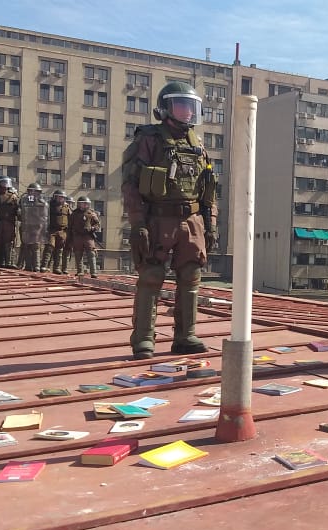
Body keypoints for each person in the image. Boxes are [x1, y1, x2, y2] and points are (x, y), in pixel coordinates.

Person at [121, 81, 219, 359]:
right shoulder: (149, 139)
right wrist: (138, 223)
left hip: (191, 220)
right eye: (182, 106)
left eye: (192, 107)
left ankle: (185, 336)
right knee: (151, 277)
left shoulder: (196, 144)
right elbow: (130, 185)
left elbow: (208, 188)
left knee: (191, 277)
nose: (188, 112)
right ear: (165, 108)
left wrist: (209, 225)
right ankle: (144, 340)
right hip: (157, 219)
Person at [68, 196, 102, 278]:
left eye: (86, 204)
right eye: (83, 203)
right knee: (78, 253)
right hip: (77, 236)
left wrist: (93, 228)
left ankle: (93, 272)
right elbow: (70, 226)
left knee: (91, 253)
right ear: (79, 204)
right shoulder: (74, 214)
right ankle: (80, 271)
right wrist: (70, 238)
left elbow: (97, 224)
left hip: (88, 236)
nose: (85, 205)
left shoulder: (91, 213)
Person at [18, 182, 49, 272]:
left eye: (35, 192)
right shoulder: (23, 200)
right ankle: (28, 266)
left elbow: (44, 216)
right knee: (27, 245)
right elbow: (19, 212)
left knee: (36, 246)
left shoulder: (42, 202)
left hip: (37, 227)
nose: (33, 193)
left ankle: (37, 266)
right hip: (26, 226)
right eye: (31, 191)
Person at [42, 190, 70, 274]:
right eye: (59, 197)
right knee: (49, 247)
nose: (61, 199)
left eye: (62, 198)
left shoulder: (66, 207)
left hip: (62, 231)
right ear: (55, 197)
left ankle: (56, 268)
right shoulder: (49, 206)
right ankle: (44, 266)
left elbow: (71, 218)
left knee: (59, 250)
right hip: (52, 230)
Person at [0, 177, 20, 268]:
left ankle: (9, 262)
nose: (4, 186)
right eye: (2, 184)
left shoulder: (13, 196)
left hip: (9, 222)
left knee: (9, 243)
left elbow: (18, 209)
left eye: (6, 184)